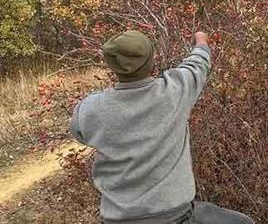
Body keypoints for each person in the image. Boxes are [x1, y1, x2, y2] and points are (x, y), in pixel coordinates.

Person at [70, 30, 254, 224]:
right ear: (151, 61)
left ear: (112, 65)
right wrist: (201, 40)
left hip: (117, 219)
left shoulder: (91, 109)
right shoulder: (174, 91)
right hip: (174, 217)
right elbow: (198, 63)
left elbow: (79, 132)